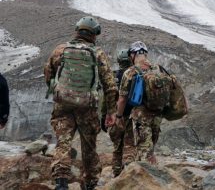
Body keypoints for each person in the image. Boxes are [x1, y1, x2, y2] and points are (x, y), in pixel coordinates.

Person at [44, 16, 118, 190]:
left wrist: (56, 88)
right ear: (94, 34)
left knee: (63, 142)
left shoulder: (60, 49)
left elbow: (48, 73)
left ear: (77, 30)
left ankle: (61, 182)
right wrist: (111, 112)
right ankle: (91, 183)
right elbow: (110, 85)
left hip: (63, 105)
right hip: (88, 107)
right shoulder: (97, 53)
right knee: (89, 145)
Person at [107, 41, 166, 164]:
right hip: (157, 115)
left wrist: (118, 116)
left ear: (132, 55)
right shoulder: (158, 69)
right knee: (150, 149)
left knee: (144, 150)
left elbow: (122, 99)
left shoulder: (130, 72)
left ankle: (148, 179)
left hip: (141, 117)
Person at [107, 49, 135, 177]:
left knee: (117, 148)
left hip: (116, 116)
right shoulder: (135, 75)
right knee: (129, 146)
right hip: (132, 116)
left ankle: (117, 176)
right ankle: (129, 172)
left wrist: (105, 116)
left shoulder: (113, 76)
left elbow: (106, 99)